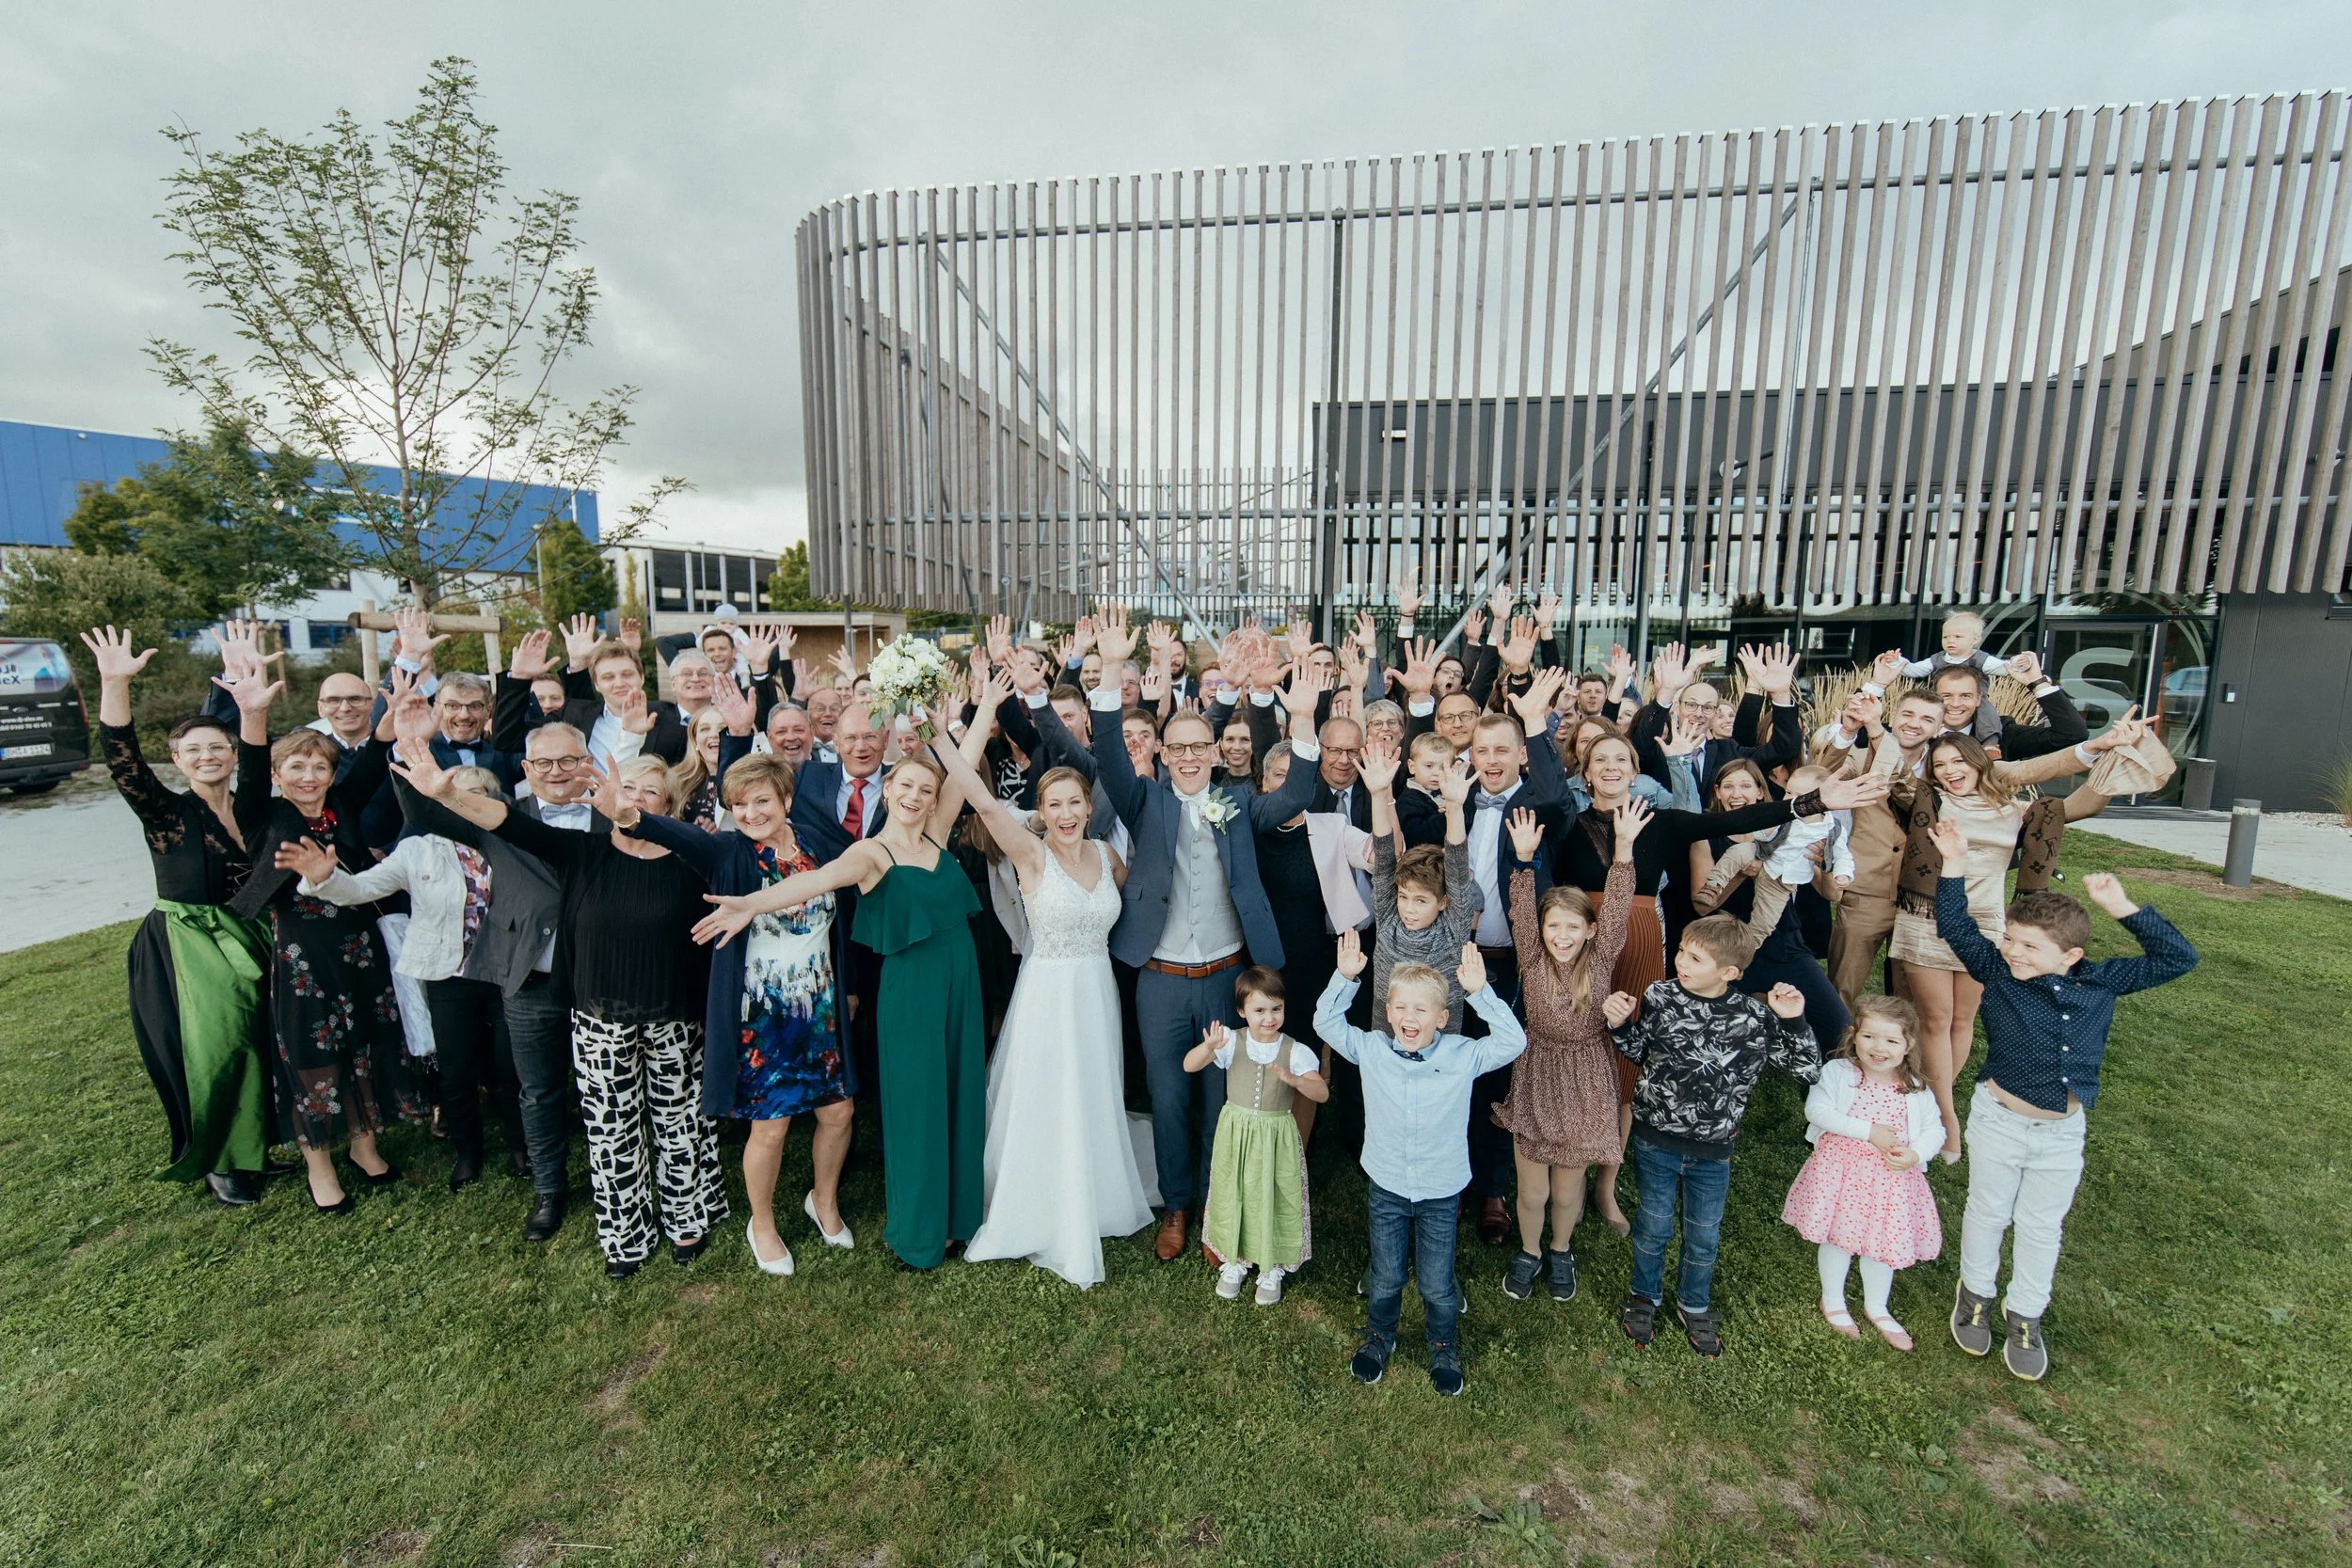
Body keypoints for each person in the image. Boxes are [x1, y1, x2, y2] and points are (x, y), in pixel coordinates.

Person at [1032, 604, 1325, 1263]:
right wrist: (1111, 668)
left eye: (1201, 747)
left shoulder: (1239, 803)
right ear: (1164, 755)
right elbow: (1109, 755)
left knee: (1222, 1099)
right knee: (1167, 1099)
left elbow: (1295, 795)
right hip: (1160, 981)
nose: (1191, 756)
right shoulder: (1145, 800)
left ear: (1215, 753)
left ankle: (1221, 1208)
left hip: (1226, 977)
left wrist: (1303, 719)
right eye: (1180, 748)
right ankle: (1177, 1205)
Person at [397, 744, 722, 1277]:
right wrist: (448, 794)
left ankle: (686, 1218)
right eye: (627, 788)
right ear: (606, 798)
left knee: (679, 1119)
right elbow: (507, 822)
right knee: (612, 1128)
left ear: (666, 806)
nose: (636, 799)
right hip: (600, 1018)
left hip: (674, 1015)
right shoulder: (581, 851)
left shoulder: (691, 858)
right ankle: (626, 1235)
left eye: (650, 792)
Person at [691, 734, 987, 1273]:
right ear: (887, 789)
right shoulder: (868, 852)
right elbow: (815, 880)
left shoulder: (938, 833)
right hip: (909, 990)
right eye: (905, 786)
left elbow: (964, 766)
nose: (915, 796)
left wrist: (976, 710)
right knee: (917, 1109)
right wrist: (751, 904)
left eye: (926, 789)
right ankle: (918, 1230)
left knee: (959, 1097)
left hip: (960, 985)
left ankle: (956, 1218)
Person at [1929, 831, 2197, 1382]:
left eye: (2030, 947)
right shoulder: (1998, 972)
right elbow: (1955, 925)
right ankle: (1975, 1295)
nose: (2014, 951)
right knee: (1988, 1212)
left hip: (2061, 1134)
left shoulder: (2102, 981)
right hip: (1999, 1121)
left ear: (2071, 955)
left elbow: (2179, 958)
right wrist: (1953, 863)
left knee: (2040, 1226)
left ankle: (2026, 1314)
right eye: (2011, 939)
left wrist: (2122, 907)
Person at [278, 735, 564, 1227]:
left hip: (508, 972)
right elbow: (363, 888)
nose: (464, 806)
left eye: (476, 797)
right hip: (449, 975)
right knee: (455, 1069)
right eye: (453, 797)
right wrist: (325, 879)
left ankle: (522, 1148)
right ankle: (467, 1151)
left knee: (511, 1068)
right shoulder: (417, 851)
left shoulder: (513, 845)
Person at [621, 696, 852, 1278]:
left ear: (786, 800)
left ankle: (823, 1201)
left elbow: (843, 914)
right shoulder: (727, 851)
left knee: (839, 1112)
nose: (750, 813)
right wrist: (628, 814)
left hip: (820, 1008)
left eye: (761, 801)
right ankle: (763, 1223)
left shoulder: (816, 845)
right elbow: (672, 832)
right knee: (770, 1127)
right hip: (762, 1015)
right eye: (740, 804)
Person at [933, 700, 1153, 1289]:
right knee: (1048, 1092)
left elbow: (1139, 900)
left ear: (1089, 806)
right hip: (1049, 994)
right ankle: (1039, 1198)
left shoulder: (1108, 856)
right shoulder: (1030, 854)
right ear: (1041, 811)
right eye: (1053, 804)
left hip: (1096, 991)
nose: (1066, 814)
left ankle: (1098, 1188)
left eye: (1074, 802)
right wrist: (941, 735)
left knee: (1094, 1087)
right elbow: (983, 802)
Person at [83, 626, 278, 1208]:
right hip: (189, 942)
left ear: (233, 754)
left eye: (217, 747)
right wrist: (114, 683)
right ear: (176, 760)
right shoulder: (165, 812)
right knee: (217, 1049)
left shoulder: (252, 805)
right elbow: (122, 760)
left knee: (260, 1041)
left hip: (253, 933)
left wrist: (247, 702)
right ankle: (219, 1159)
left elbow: (259, 754)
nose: (206, 756)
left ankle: (254, 1147)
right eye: (192, 750)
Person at [221, 664, 422, 1213]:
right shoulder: (263, 815)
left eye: (319, 766)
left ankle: (364, 1146)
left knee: (367, 1042)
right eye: (296, 766)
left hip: (358, 947)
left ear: (332, 775)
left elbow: (373, 757)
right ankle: (321, 1167)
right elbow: (251, 768)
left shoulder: (341, 808)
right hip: (304, 956)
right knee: (315, 1053)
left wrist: (392, 711)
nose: (309, 776)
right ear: (278, 774)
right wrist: (253, 713)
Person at [1317, 931, 1527, 1397]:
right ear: (1389, 1012)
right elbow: (1325, 1022)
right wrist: (1344, 978)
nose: (1409, 1018)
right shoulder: (1372, 1048)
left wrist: (1480, 993)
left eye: (1421, 1010)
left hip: (1440, 1190)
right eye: (1401, 1008)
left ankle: (1442, 1344)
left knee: (1436, 1283)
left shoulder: (1462, 1054)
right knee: (1386, 1276)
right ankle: (1380, 1337)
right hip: (1387, 1187)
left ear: (1443, 1018)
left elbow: (1513, 1041)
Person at [1605, 914, 1818, 1358]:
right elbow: (1644, 1053)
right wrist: (1621, 1026)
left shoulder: (1752, 1018)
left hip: (1712, 1150)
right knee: (1653, 1226)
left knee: (1703, 1235)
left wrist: (1794, 1021)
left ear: (1729, 972)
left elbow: (1806, 1069)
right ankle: (1644, 1296)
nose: (1681, 961)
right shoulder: (1660, 996)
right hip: (1654, 1138)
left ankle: (1694, 1304)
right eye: (1682, 951)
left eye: (1695, 958)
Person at [1493, 800, 1641, 1299]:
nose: (1562, 936)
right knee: (1533, 1190)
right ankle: (1529, 1250)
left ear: (1591, 931)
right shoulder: (1533, 959)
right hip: (1537, 1073)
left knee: (1566, 1189)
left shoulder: (1600, 961)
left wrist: (1623, 849)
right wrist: (1523, 861)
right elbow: (1520, 908)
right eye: (1553, 926)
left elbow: (1618, 907)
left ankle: (1560, 1249)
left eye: (1573, 926)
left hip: (1585, 1078)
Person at [1782, 994, 1947, 1349]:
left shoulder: (1915, 1088)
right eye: (1869, 1036)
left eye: (1891, 1040)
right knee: (1837, 1238)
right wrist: (1869, 1132)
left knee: (1880, 1243)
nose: (1879, 1048)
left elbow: (1935, 1130)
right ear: (1854, 1035)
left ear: (1908, 1045)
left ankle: (1877, 1307)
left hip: (1891, 1181)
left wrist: (1915, 1154)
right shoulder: (1839, 1073)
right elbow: (1817, 1111)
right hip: (1841, 1175)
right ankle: (1833, 1300)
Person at [1186, 972, 1326, 1306]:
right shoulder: (1231, 1041)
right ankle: (1234, 1260)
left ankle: (1271, 1266)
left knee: (1273, 1195)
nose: (1269, 1018)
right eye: (1259, 1010)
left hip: (1275, 1138)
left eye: (1276, 1009)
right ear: (1242, 1011)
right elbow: (1190, 1066)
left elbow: (1321, 1093)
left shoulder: (1294, 1050)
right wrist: (1207, 1047)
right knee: (1234, 1191)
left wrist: (1297, 1081)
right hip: (1237, 1135)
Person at [550, 615, 690, 767]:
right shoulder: (577, 717)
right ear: (596, 684)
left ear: (642, 677)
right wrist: (577, 662)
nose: (619, 683)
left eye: (627, 675)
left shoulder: (672, 720)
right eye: (608, 677)